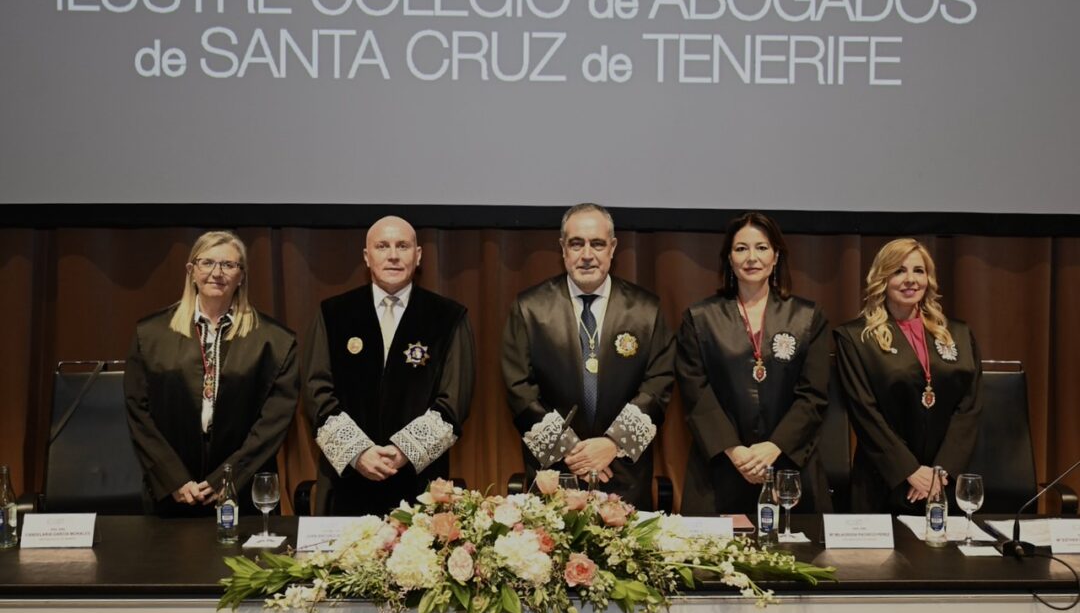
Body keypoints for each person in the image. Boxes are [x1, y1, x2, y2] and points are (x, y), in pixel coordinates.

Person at [501, 203, 674, 510]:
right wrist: (573, 452)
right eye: (576, 244)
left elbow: (658, 385)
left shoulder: (647, 310)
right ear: (562, 248)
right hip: (556, 474)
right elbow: (519, 389)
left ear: (613, 248)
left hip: (622, 474)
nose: (587, 255)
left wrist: (612, 444)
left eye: (597, 244)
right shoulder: (530, 308)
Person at [304, 216, 475, 516]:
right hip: (346, 483)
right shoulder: (334, 314)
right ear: (366, 256)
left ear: (418, 255)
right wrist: (359, 452)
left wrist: (403, 451)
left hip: (420, 485)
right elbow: (316, 391)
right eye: (382, 246)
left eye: (402, 246)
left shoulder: (447, 317)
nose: (393, 255)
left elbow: (454, 401)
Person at [125, 231, 299, 518]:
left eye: (228, 265)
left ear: (241, 276)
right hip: (171, 492)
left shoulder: (275, 341)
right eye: (207, 263)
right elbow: (138, 412)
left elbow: (274, 423)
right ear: (191, 271)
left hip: (243, 491)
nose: (217, 273)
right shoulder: (150, 334)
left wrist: (228, 477)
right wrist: (173, 479)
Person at [676, 212, 832, 516]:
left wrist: (773, 447)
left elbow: (813, 395)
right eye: (741, 248)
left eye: (761, 248)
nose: (751, 258)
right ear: (729, 258)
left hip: (788, 465)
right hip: (721, 465)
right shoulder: (700, 318)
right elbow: (696, 394)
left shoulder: (808, 317)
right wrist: (736, 452)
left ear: (776, 256)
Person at [835, 238, 982, 513]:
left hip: (945, 482)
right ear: (882, 278)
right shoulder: (854, 338)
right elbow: (864, 412)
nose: (911, 280)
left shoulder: (959, 334)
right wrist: (909, 470)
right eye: (899, 271)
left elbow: (969, 407)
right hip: (884, 479)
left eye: (919, 271)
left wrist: (940, 471)